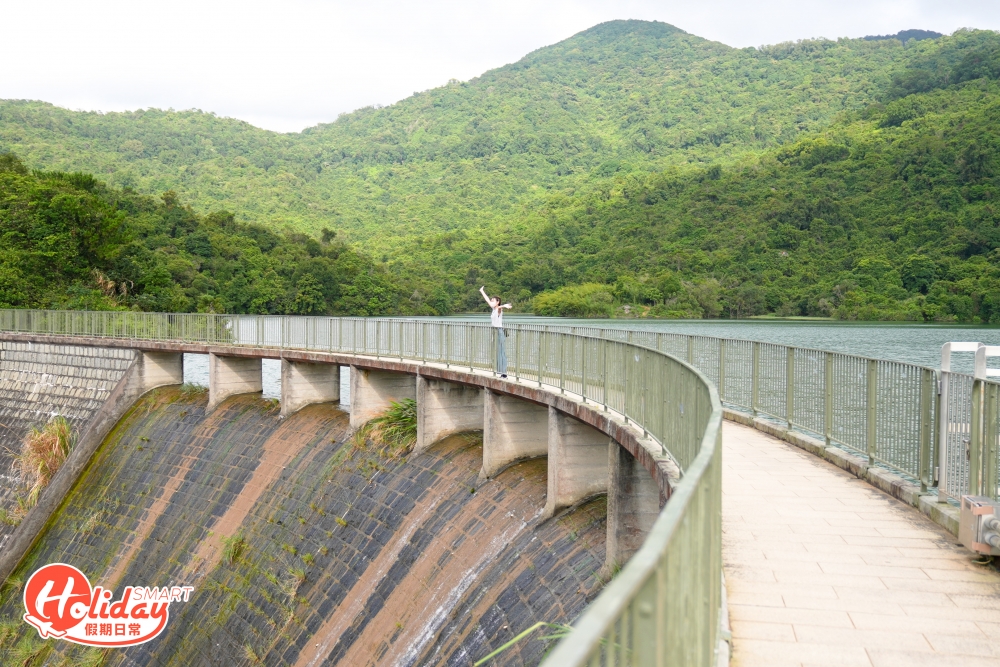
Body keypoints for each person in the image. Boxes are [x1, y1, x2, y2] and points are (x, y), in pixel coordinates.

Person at [480, 286, 512, 378]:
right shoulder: (494, 310)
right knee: (498, 352)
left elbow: (500, 308)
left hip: (499, 331)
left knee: (502, 352)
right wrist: (482, 291)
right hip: (495, 332)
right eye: (492, 300)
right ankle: (500, 371)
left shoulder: (498, 309)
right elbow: (487, 301)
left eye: (493, 300)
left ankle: (504, 373)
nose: (491, 301)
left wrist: (504, 306)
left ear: (497, 302)